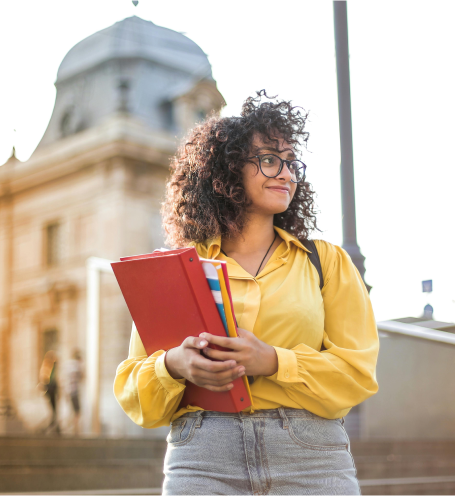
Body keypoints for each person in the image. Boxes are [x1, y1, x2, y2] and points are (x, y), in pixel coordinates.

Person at [114, 91, 379, 495]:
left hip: (310, 455)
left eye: (292, 163)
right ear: (227, 169)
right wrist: (173, 365)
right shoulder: (179, 269)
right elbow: (135, 391)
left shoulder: (326, 262)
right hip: (203, 455)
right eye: (270, 159)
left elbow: (357, 374)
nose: (287, 173)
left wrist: (273, 361)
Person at [61, 349, 84, 435]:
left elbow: (63, 379)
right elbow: (82, 376)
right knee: (77, 411)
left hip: (67, 391)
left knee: (69, 410)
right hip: (74, 391)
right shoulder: (76, 365)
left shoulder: (67, 365)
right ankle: (75, 429)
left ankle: (69, 429)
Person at [38, 350, 59, 434]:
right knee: (53, 409)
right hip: (50, 389)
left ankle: (55, 426)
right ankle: (53, 426)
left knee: (54, 409)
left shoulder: (52, 366)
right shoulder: (47, 366)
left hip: (52, 389)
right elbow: (45, 378)